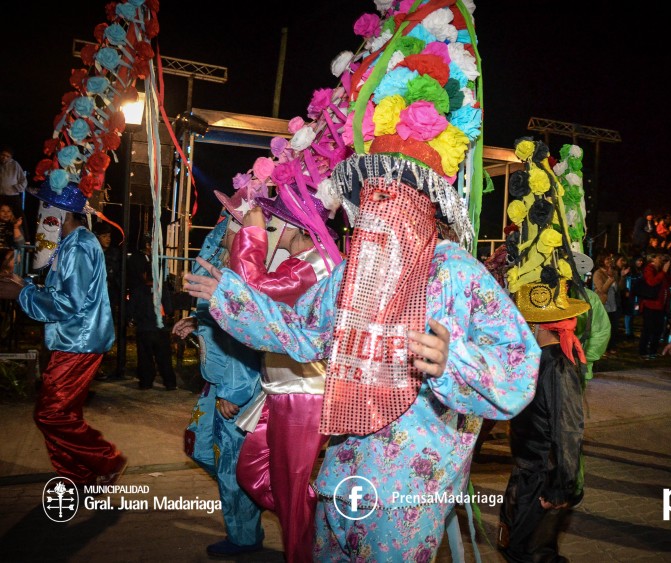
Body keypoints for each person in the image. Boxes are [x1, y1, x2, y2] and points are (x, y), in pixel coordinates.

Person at [187, 4, 540, 558]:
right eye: (369, 197)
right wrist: (232, 296)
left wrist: (455, 362)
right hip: (345, 467)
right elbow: (305, 334)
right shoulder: (358, 271)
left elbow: (520, 368)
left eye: (392, 196)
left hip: (411, 483)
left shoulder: (457, 273)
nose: (376, 210)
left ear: (425, 205)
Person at [497, 139, 607, 562]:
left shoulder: (547, 362)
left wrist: (557, 486)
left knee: (527, 549)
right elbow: (557, 429)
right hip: (530, 477)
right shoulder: (542, 361)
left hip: (534, 479)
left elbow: (565, 430)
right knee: (526, 548)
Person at [228, 192, 338, 563]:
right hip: (280, 388)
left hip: (303, 392)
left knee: (289, 494)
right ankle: (329, 526)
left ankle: (306, 551)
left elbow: (250, 294)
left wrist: (252, 236)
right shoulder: (303, 262)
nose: (270, 229)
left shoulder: (316, 264)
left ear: (294, 224)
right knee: (252, 472)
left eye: (273, 222)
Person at [0, 184, 125, 486]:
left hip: (78, 343)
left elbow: (68, 303)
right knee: (64, 414)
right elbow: (68, 295)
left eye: (46, 208)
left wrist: (23, 294)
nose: (41, 213)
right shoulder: (71, 242)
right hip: (73, 340)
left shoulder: (79, 246)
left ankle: (106, 460)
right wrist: (27, 288)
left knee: (50, 414)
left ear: (62, 214)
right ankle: (79, 476)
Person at [174, 214, 265, 557]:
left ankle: (245, 534)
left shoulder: (244, 271)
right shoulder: (225, 262)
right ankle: (252, 506)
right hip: (217, 384)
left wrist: (236, 391)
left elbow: (247, 335)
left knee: (231, 466)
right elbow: (220, 319)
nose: (220, 228)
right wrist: (195, 323)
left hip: (233, 388)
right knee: (200, 448)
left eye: (230, 222)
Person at [127, 237, 176, 391]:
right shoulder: (162, 289)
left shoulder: (138, 290)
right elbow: (168, 308)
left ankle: (146, 382)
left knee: (145, 358)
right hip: (160, 330)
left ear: (144, 275)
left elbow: (130, 310)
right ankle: (170, 383)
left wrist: (130, 320)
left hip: (144, 329)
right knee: (164, 358)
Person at [93, 222, 126, 381]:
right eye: (104, 236)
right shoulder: (92, 252)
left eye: (109, 236)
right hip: (94, 298)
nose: (108, 239)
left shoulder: (114, 254)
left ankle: (100, 363)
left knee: (106, 331)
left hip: (109, 297)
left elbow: (118, 276)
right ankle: (94, 366)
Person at [638, 252, 671, 359]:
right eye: (660, 258)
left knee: (658, 329)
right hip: (650, 304)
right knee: (648, 329)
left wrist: (668, 271)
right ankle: (643, 351)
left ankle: (653, 351)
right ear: (653, 259)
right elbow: (652, 282)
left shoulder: (662, 271)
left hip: (661, 305)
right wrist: (663, 271)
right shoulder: (649, 269)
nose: (661, 261)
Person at [0, 147, 27, 218]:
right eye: (3, 155)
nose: (4, 157)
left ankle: (22, 229)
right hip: (1, 196)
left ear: (10, 157)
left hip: (13, 196)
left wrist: (17, 188)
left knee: (19, 216)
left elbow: (23, 179)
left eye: (7, 156)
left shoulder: (14, 164)